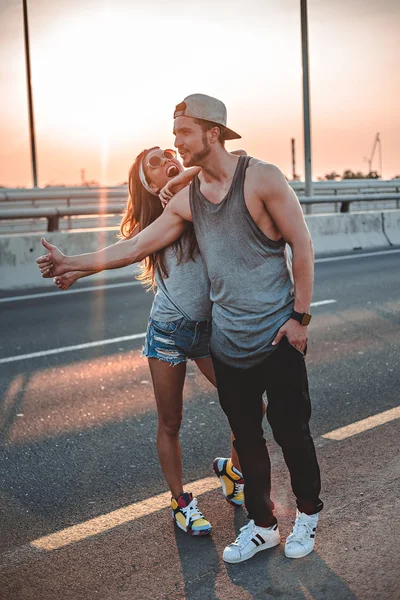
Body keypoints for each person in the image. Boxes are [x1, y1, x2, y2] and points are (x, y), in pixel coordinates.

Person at [37, 93, 323, 563]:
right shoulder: (189, 197)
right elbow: (134, 247)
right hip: (226, 343)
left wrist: (300, 318)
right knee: (246, 438)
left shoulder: (262, 177)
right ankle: (264, 526)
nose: (176, 143)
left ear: (212, 133)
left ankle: (308, 515)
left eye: (183, 134)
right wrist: (76, 264)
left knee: (291, 431)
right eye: (172, 136)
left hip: (277, 336)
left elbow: (303, 245)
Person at [48, 146, 247, 537]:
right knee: (171, 421)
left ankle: (232, 470)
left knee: (248, 408)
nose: (167, 159)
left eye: (169, 153)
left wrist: (177, 178)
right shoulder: (162, 220)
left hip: (209, 331)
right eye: (154, 164)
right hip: (169, 332)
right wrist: (73, 267)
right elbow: (128, 250)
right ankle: (182, 502)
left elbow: (236, 156)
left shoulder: (199, 195)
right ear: (147, 184)